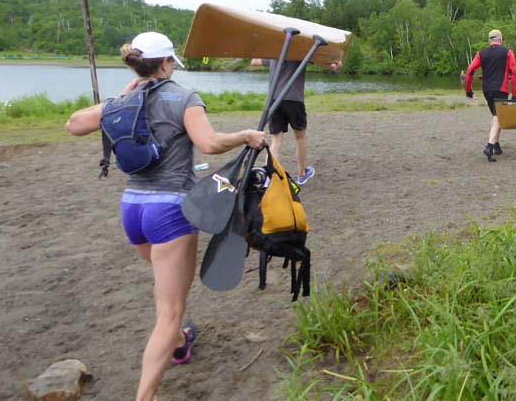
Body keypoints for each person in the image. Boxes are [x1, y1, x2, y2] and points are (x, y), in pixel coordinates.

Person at [65, 32, 266, 401]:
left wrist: (120, 98)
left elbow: (74, 124)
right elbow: (209, 143)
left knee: (164, 283)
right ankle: (145, 395)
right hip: (171, 211)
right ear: (166, 62)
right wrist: (244, 136)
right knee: (171, 312)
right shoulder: (184, 97)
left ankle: (177, 342)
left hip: (132, 209)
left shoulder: (123, 100)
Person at [250, 55, 342, 185]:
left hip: (274, 99)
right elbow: (325, 62)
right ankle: (302, 174)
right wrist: (335, 63)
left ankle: (269, 179)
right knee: (300, 138)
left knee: (275, 141)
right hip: (294, 99)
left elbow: (254, 62)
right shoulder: (300, 52)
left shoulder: (274, 52)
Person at [464, 29, 516, 161]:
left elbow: (470, 70)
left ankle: (496, 146)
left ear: (489, 40)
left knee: (496, 116)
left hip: (487, 90)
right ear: (501, 39)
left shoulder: (481, 54)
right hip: (501, 89)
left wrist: (468, 90)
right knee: (498, 117)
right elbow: (514, 72)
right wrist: (515, 94)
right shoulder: (508, 52)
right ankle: (489, 146)